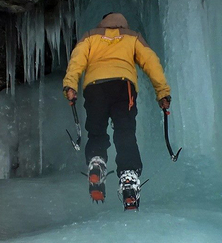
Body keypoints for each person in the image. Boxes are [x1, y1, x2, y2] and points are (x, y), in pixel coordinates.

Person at [62, 12, 172, 210]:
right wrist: (162, 93)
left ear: (102, 22)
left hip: (95, 87)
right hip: (123, 86)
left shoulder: (90, 36)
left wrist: (70, 85)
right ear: (123, 24)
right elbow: (151, 62)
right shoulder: (132, 37)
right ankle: (129, 177)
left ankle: (97, 162)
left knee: (96, 129)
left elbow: (77, 60)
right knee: (124, 131)